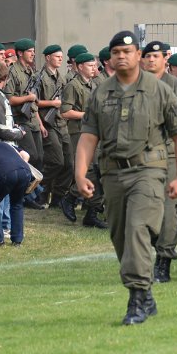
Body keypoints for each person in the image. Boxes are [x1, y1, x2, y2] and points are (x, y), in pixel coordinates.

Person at [74, 30, 177, 325]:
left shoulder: (159, 90)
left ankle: (136, 298)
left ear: (138, 55)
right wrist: (80, 173)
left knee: (137, 227)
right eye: (116, 53)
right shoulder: (101, 93)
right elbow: (88, 136)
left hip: (148, 171)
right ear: (110, 58)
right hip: (112, 173)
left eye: (127, 52)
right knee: (120, 236)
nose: (121, 56)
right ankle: (146, 293)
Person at [140, 41, 177, 283]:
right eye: (148, 56)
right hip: (141, 156)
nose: (152, 60)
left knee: (168, 208)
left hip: (171, 155)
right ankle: (155, 243)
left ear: (166, 59)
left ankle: (164, 258)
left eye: (156, 56)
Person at [59, 52, 107, 229]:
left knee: (99, 170)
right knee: (90, 171)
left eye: (95, 65)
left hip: (95, 132)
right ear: (80, 67)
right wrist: (88, 115)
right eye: (90, 65)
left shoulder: (94, 84)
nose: (94, 68)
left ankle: (91, 213)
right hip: (79, 132)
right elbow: (65, 112)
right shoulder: (73, 85)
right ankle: (70, 197)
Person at [37, 43, 73, 209]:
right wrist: (51, 104)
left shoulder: (61, 78)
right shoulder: (39, 77)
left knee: (69, 164)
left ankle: (58, 198)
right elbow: (33, 102)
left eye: (61, 57)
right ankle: (40, 191)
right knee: (56, 161)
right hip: (47, 123)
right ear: (47, 58)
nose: (60, 59)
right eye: (57, 56)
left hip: (61, 123)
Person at [5, 39, 44, 175]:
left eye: (33, 51)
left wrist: (40, 123)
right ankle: (25, 183)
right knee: (31, 155)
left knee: (40, 158)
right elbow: (9, 99)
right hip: (20, 119)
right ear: (20, 53)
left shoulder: (31, 71)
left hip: (33, 119)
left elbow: (33, 101)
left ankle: (35, 186)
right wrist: (27, 98)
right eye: (29, 51)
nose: (33, 54)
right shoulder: (12, 71)